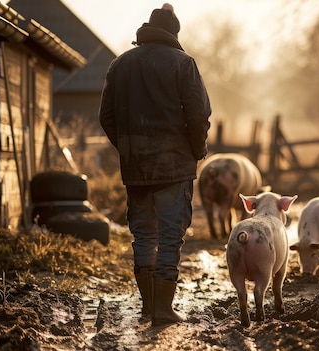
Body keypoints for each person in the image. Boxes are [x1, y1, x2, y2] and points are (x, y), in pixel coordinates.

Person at [99, 3, 211, 326]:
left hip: (135, 169)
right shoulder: (183, 63)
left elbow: (106, 117)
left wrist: (129, 148)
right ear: (174, 33)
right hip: (173, 168)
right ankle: (163, 309)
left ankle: (148, 308)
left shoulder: (119, 64)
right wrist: (197, 149)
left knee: (145, 236)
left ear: (148, 28)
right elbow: (198, 115)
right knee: (170, 235)